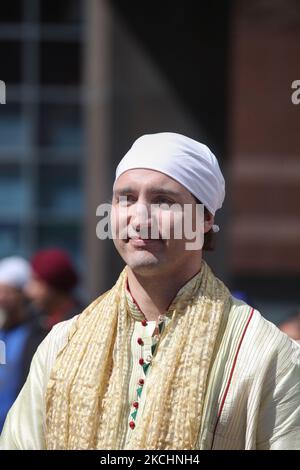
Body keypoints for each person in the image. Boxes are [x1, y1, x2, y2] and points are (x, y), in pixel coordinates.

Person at [1, 132, 300, 450]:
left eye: (163, 200)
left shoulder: (267, 356)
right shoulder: (61, 345)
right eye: (125, 198)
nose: (139, 217)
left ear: (205, 220)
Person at [0, 257, 46, 431]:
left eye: (8, 292)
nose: (2, 298)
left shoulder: (36, 332)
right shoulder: (3, 331)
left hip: (19, 428)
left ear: (22, 295)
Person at [24, 248, 82, 331]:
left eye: (37, 281)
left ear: (55, 286)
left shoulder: (81, 323)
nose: (28, 290)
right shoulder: (35, 322)